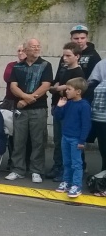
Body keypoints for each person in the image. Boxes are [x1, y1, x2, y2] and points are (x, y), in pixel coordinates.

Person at [5, 38, 53, 183]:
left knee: (38, 141)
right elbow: (13, 86)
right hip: (21, 110)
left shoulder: (45, 65)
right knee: (19, 140)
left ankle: (36, 171)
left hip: (38, 109)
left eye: (38, 46)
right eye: (33, 47)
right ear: (25, 50)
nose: (36, 48)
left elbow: (46, 85)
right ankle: (18, 169)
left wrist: (28, 99)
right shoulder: (17, 67)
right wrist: (26, 97)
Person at [48, 42, 85, 181]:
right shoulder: (63, 69)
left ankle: (66, 171)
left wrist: (60, 88)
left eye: (68, 55)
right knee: (58, 140)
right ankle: (58, 166)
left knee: (69, 141)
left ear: (77, 56)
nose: (65, 58)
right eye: (64, 55)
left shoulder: (78, 72)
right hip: (59, 105)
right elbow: (55, 85)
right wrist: (58, 89)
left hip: (70, 110)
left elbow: (65, 88)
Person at [53, 78, 91, 198]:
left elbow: (86, 124)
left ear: (78, 91)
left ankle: (76, 185)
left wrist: (82, 140)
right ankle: (67, 181)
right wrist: (59, 107)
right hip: (66, 137)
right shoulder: (68, 103)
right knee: (67, 162)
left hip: (76, 139)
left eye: (69, 89)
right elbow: (58, 116)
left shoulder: (84, 105)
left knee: (76, 163)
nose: (66, 92)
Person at [2, 44, 27, 171]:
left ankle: (25, 161)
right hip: (11, 103)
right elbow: (8, 78)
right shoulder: (11, 65)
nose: (21, 52)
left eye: (24, 50)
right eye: (19, 50)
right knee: (12, 134)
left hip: (27, 103)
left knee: (26, 135)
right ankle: (12, 160)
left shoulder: (33, 66)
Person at [86, 59, 106, 179]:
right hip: (99, 118)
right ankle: (104, 174)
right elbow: (91, 83)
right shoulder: (102, 64)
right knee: (104, 148)